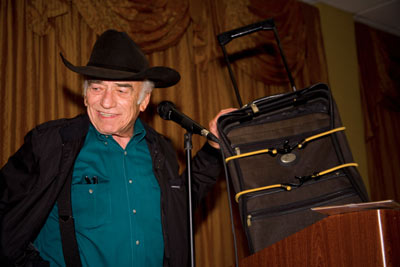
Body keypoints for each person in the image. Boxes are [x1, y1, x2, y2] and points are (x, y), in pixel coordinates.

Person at [0, 29, 233, 267]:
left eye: (121, 90)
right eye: (97, 88)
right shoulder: (52, 144)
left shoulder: (160, 149)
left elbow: (180, 206)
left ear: (144, 101)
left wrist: (213, 147)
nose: (106, 101)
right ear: (85, 95)